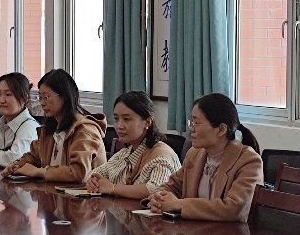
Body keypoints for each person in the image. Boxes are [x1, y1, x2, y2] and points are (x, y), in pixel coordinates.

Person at [147, 93, 263, 221]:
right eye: (191, 122)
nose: (191, 129)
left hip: (228, 233)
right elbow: (170, 186)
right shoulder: (194, 154)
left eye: (196, 123)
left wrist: (178, 204)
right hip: (192, 230)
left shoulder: (249, 161)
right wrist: (159, 198)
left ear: (221, 129)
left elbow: (234, 209)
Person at [3, 69, 107, 183]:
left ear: (64, 96)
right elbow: (34, 156)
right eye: (40, 97)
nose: (42, 103)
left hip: (85, 193)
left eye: (46, 97)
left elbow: (78, 173)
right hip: (55, 191)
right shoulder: (51, 128)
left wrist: (40, 172)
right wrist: (16, 165)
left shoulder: (85, 129)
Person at [87, 91, 181, 199]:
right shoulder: (124, 153)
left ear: (148, 122)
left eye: (126, 119)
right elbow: (93, 174)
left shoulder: (161, 156)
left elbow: (156, 189)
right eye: (116, 119)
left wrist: (113, 188)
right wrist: (93, 181)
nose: (119, 126)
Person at [0, 72, 39, 168]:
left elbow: (18, 158)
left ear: (24, 99)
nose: (1, 100)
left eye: (8, 94)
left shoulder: (30, 127)